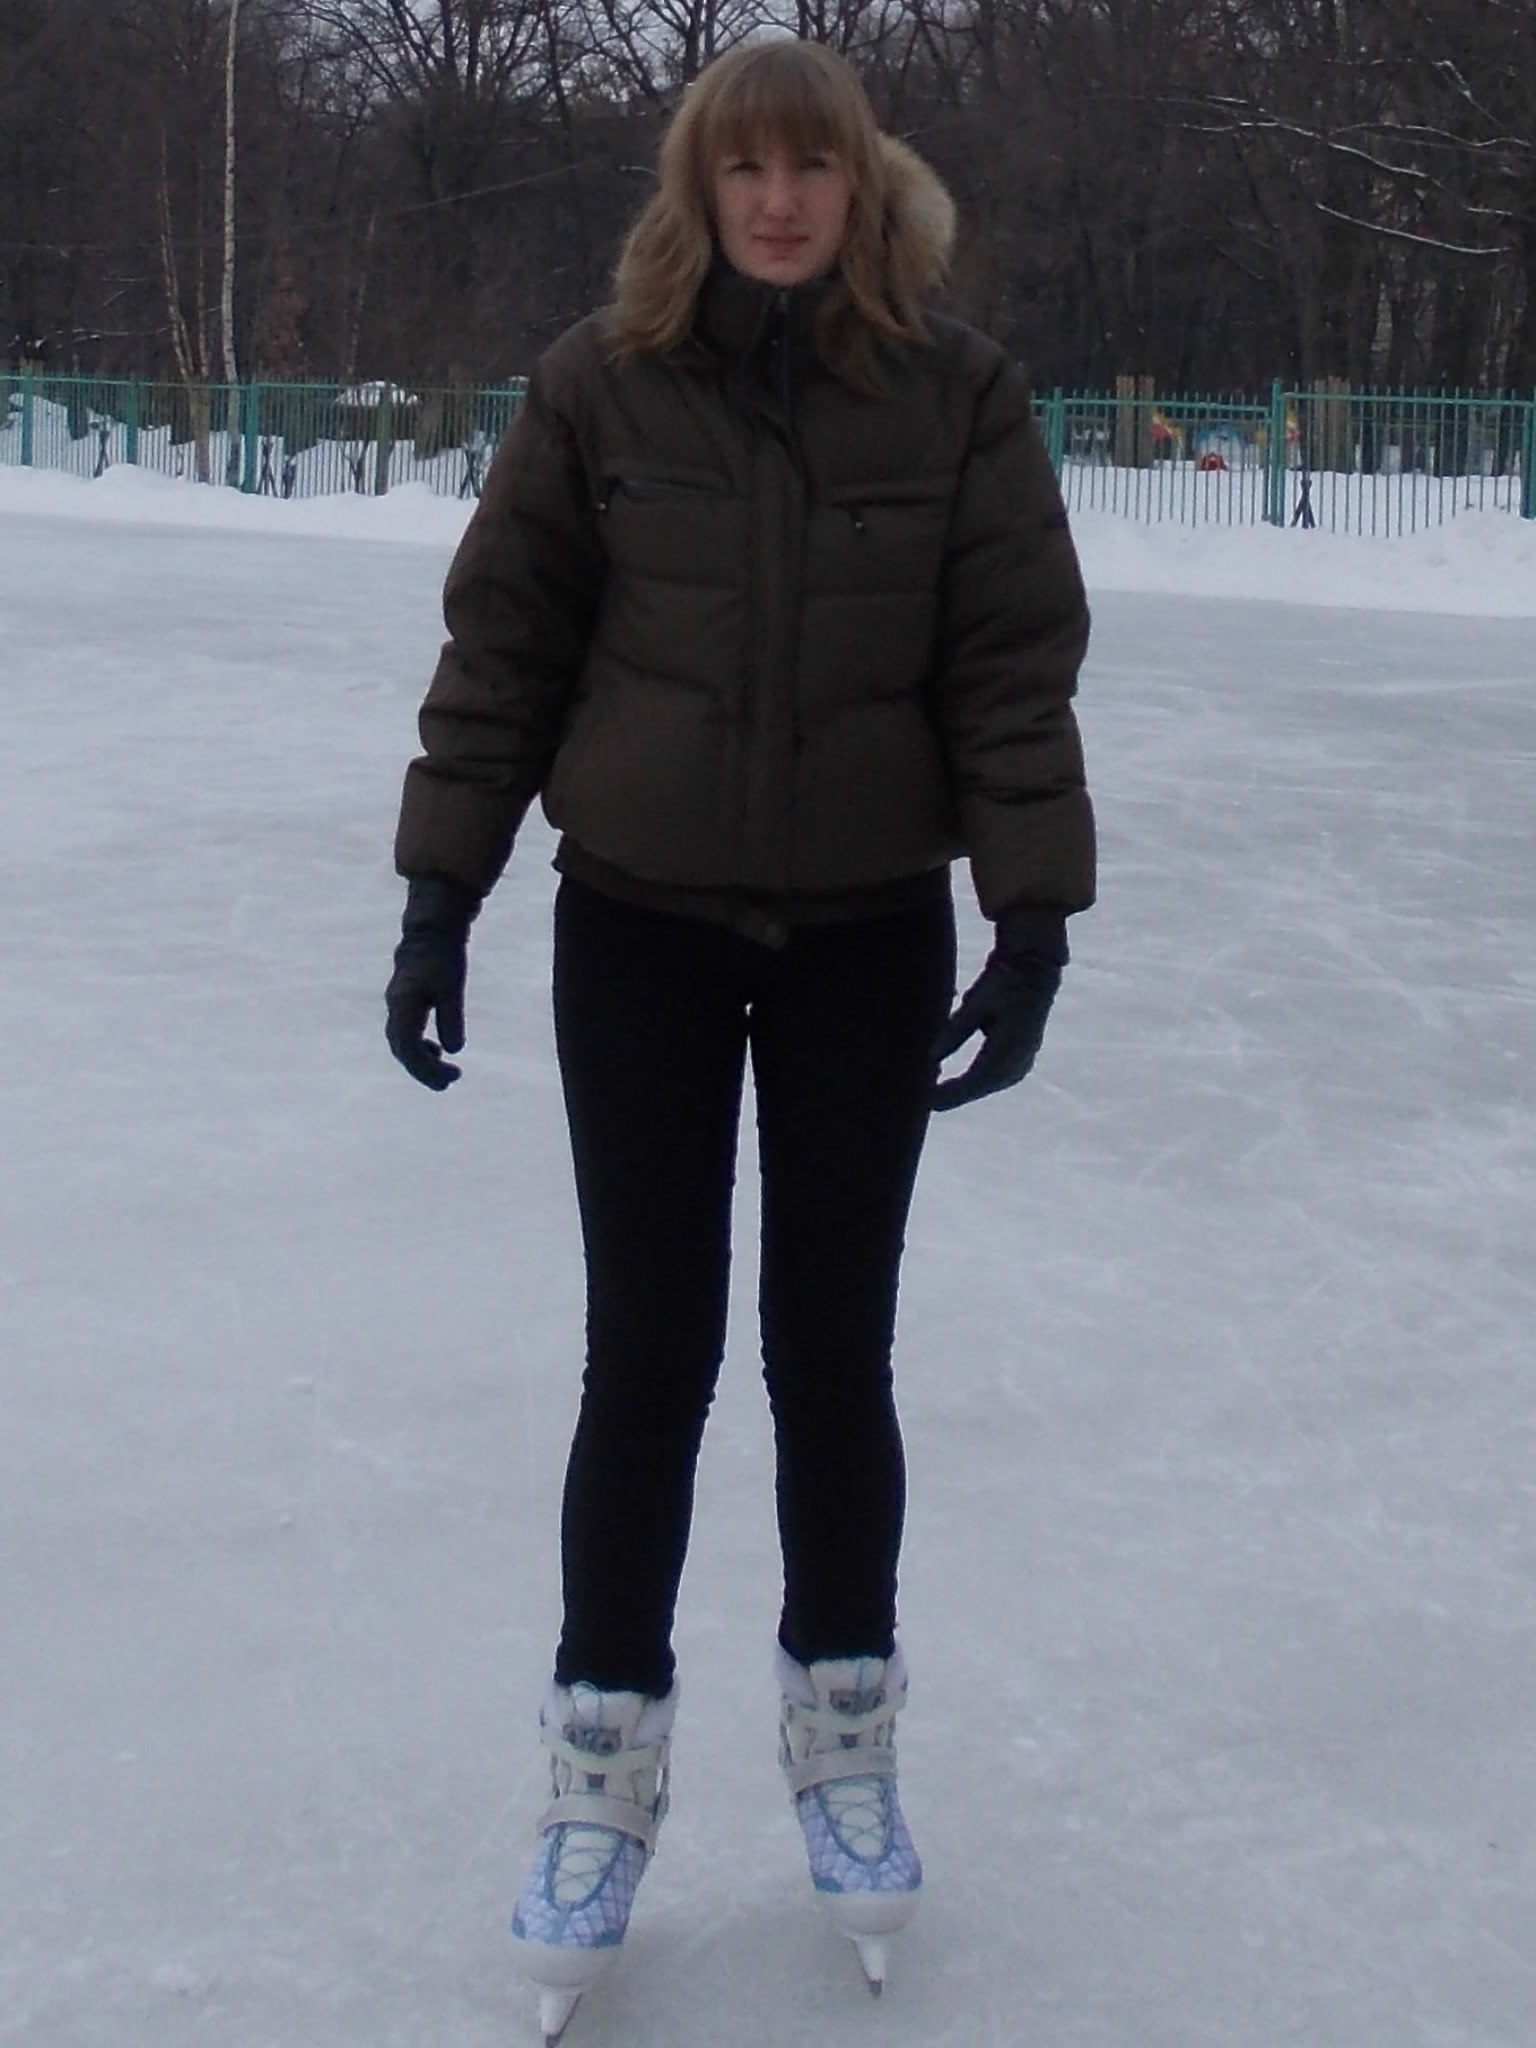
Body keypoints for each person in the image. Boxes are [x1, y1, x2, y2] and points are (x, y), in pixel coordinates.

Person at [385, 35, 1094, 2033]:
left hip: (868, 933)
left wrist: (1034, 916)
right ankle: (599, 1773)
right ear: (697, 191)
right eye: (745, 168)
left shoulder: (956, 397)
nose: (780, 201)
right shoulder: (598, 387)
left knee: (832, 1352)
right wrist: (442, 894)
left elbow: (1009, 670)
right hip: (640, 931)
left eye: (813, 167)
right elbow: (506, 647)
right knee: (651, 1353)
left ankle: (845, 1741)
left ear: (864, 186)